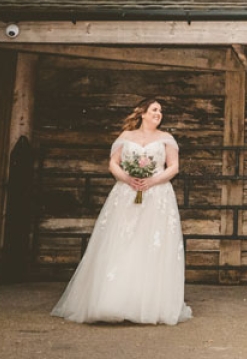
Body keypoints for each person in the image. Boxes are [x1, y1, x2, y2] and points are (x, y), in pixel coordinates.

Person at [51, 98, 192, 325]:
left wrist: (152, 181)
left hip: (157, 196)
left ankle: (145, 304)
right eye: (154, 110)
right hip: (127, 193)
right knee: (122, 242)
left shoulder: (166, 138)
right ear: (143, 113)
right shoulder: (126, 137)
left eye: (161, 111)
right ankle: (113, 300)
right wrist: (127, 177)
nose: (159, 114)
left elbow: (174, 167)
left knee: (149, 244)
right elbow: (113, 163)